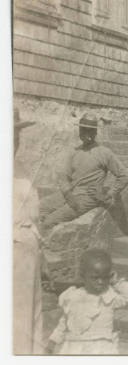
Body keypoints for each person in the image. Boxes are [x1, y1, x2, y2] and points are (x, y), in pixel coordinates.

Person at [39, 113, 128, 233]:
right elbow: (63, 176)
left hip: (87, 197)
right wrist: (68, 194)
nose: (85, 133)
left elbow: (124, 176)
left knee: (49, 221)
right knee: (37, 208)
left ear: (95, 132)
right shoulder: (75, 152)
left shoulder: (104, 153)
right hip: (70, 194)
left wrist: (108, 194)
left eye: (89, 130)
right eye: (82, 129)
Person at [46, 249, 128, 354]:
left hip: (101, 347)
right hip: (75, 347)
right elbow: (64, 321)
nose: (100, 282)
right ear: (83, 276)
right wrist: (53, 341)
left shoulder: (109, 296)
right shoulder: (73, 296)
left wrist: (115, 282)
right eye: (95, 278)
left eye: (104, 277)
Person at [13, 107, 44, 354]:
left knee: (31, 313)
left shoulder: (19, 167)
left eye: (16, 135)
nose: (14, 141)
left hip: (28, 250)